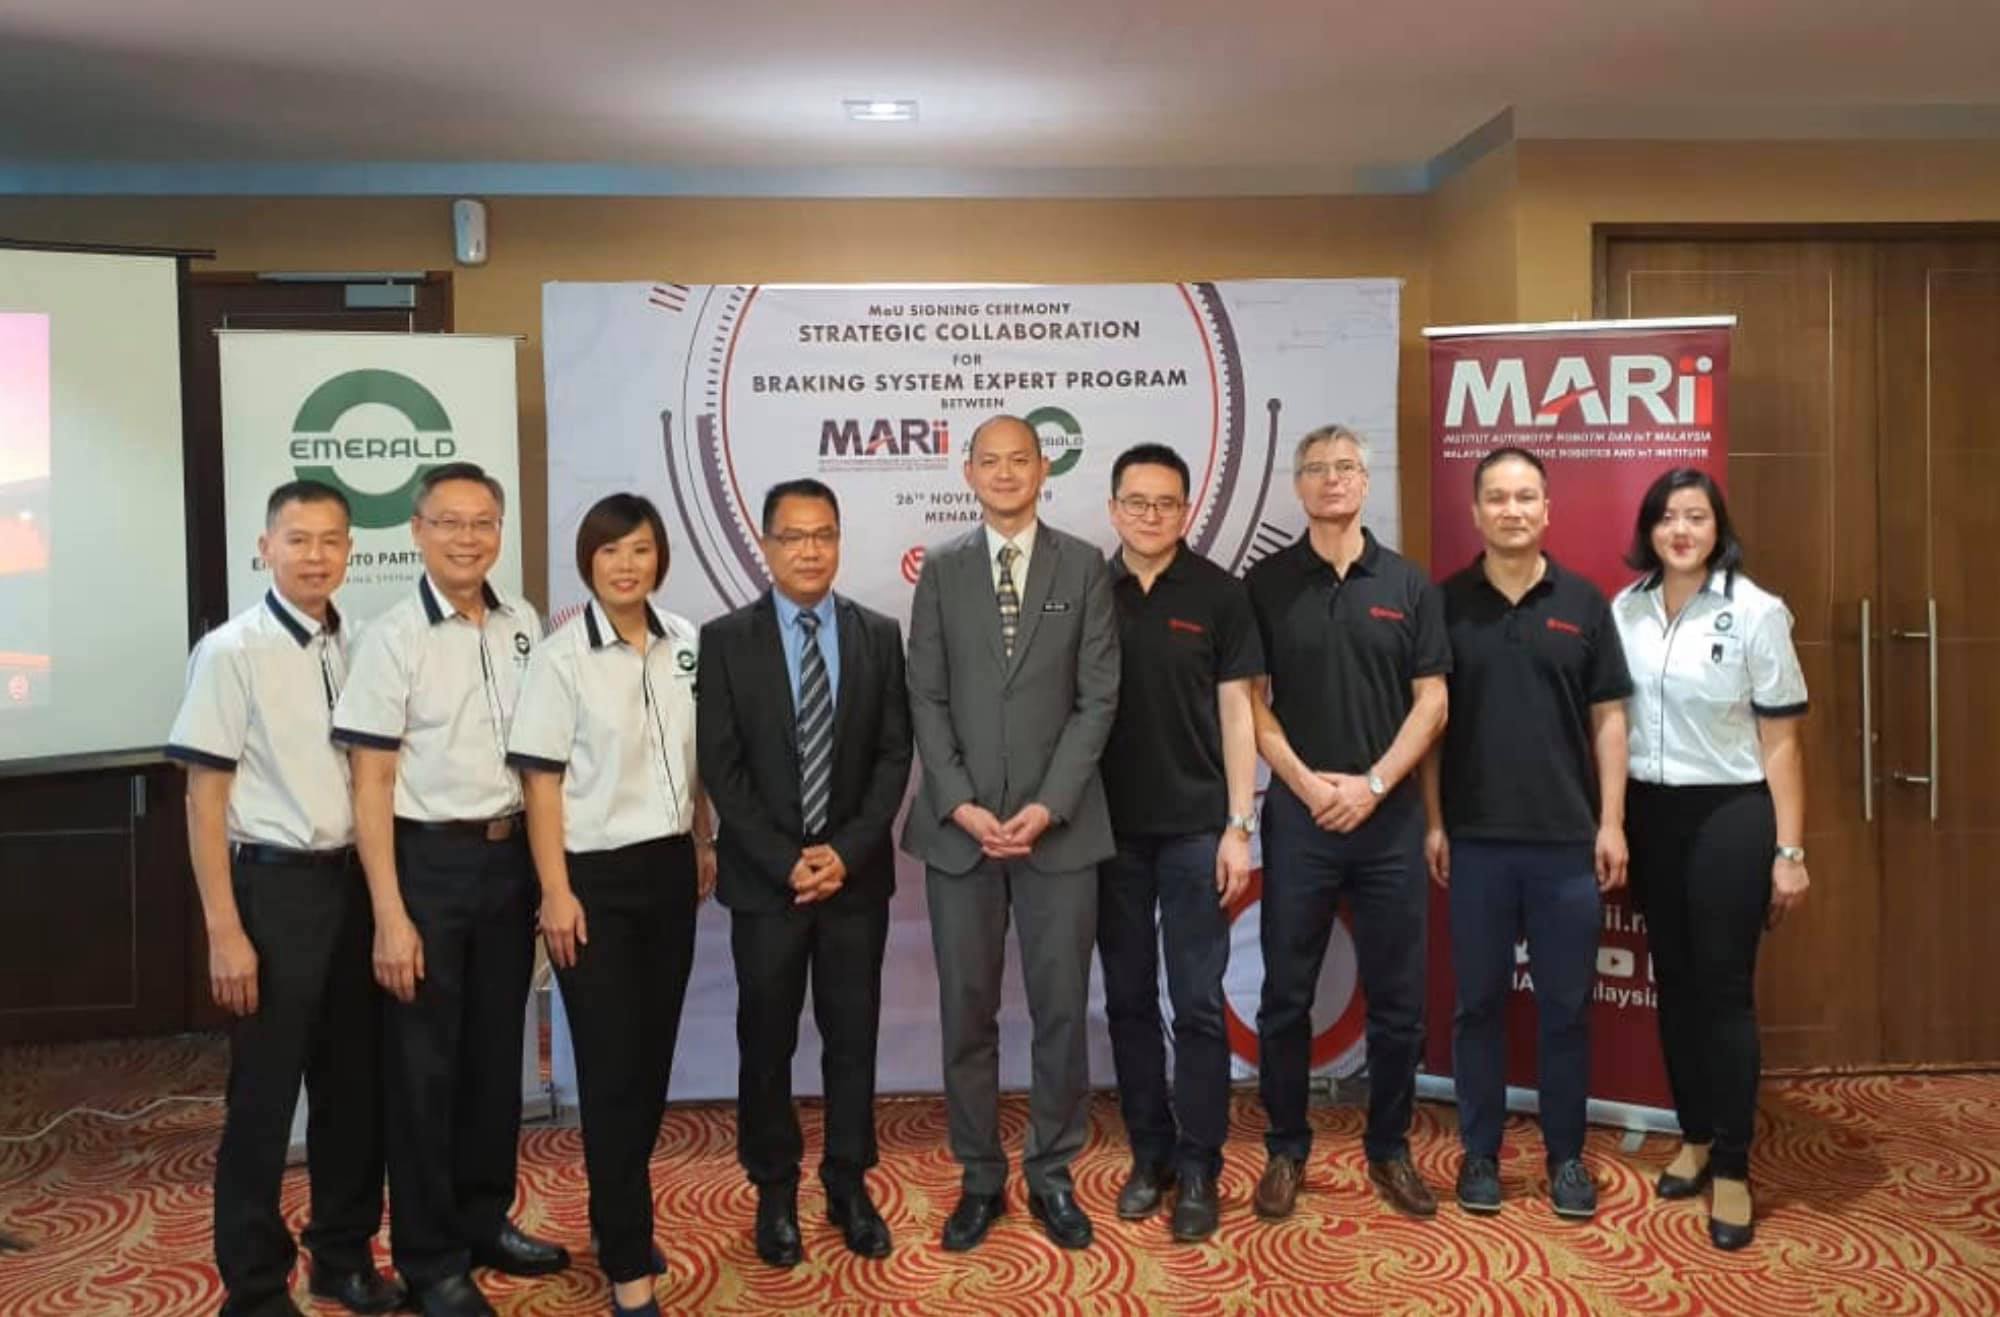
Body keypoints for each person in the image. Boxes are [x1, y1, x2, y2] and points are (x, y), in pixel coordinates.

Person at [331, 462, 562, 1317]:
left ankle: (483, 1219)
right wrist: (388, 913)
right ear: (417, 531)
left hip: (507, 861)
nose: (468, 537)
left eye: (483, 521)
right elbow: (370, 780)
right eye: (450, 521)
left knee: (495, 1059)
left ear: (500, 529)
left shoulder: (522, 622)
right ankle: (430, 1258)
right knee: (423, 1071)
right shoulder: (391, 636)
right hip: (425, 866)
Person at [166, 480, 402, 1317]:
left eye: (331, 540)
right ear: (265, 548)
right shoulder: (232, 651)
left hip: (356, 886)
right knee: (264, 1098)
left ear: (351, 551)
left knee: (353, 1088)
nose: (315, 556)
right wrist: (223, 930)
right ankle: (256, 1284)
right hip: (274, 892)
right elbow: (204, 801)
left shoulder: (362, 643)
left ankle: (341, 1254)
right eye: (297, 540)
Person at [902, 413, 1119, 1252]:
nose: (1003, 472)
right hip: (961, 834)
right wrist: (958, 801)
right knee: (968, 1011)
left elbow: (1097, 698)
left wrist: (1050, 803)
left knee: (1062, 1011)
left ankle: (1053, 1171)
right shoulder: (942, 568)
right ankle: (980, 1175)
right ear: (967, 471)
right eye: (988, 460)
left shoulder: (1084, 565)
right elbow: (925, 695)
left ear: (1042, 469)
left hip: (1058, 833)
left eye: (1018, 459)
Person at [506, 493, 716, 1315]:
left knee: (651, 1064)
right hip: (590, 880)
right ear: (587, 562)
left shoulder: (687, 641)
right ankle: (628, 1258)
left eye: (640, 549)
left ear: (659, 557)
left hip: (669, 870)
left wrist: (702, 838)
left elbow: (693, 758)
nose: (626, 565)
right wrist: (555, 891)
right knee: (609, 1069)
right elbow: (540, 783)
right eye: (609, 551)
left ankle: (612, 1210)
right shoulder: (561, 656)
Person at [697, 479, 912, 1269]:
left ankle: (848, 1182)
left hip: (854, 880)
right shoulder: (725, 639)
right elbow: (721, 765)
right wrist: (785, 859)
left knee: (853, 1038)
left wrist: (844, 852)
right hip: (767, 884)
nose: (809, 550)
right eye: (793, 536)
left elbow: (895, 754)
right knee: (767, 1040)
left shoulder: (878, 634)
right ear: (766, 545)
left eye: (823, 535)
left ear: (839, 541)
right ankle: (775, 1186)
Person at [1420, 447, 1632, 1220]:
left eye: (1525, 497)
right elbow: (1431, 726)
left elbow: (1609, 719)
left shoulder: (1585, 602)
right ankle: (1479, 1152)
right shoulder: (1443, 604)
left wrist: (1611, 822)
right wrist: (1434, 821)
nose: (1512, 510)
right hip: (1475, 842)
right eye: (1497, 497)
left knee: (1565, 1009)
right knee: (1477, 1005)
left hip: (1566, 846)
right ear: (1476, 512)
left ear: (1547, 509)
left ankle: (1567, 1156)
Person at [1245, 424, 1450, 1222]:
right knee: (1284, 995)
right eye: (1316, 469)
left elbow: (1433, 702)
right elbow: (1249, 702)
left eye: (1345, 467)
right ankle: (1286, 1147)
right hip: (1300, 818)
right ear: (1298, 486)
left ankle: (1390, 1147)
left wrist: (1372, 784)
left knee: (1399, 999)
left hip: (1388, 818)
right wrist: (1304, 784)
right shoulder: (1265, 584)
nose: (1332, 479)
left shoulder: (1408, 584)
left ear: (1365, 482)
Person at [1611, 467, 1809, 1251]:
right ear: (1649, 530)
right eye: (1667, 517)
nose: (1680, 530)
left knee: (1724, 991)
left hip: (1730, 814)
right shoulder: (1624, 610)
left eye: (1695, 516)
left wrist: (1789, 850)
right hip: (1650, 813)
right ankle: (1694, 1135)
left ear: (1717, 526)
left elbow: (1782, 742)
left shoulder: (1756, 611)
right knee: (1674, 983)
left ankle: (1732, 1163)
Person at [1095, 444, 1261, 1244]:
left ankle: (1200, 1164)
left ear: (1187, 510)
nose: (1151, 515)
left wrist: (1239, 824)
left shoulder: (1221, 594)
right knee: (1127, 1000)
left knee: (1196, 1004)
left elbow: (1239, 714)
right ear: (1113, 508)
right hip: (1107, 834)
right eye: (1137, 502)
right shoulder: (1088, 591)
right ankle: (1150, 1153)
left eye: (1166, 503)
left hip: (1198, 831)